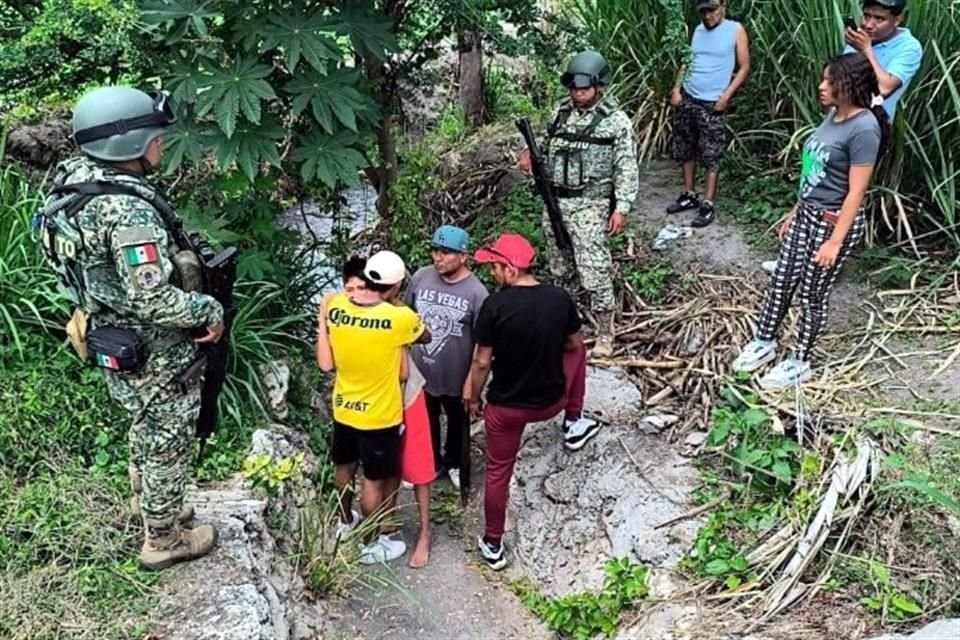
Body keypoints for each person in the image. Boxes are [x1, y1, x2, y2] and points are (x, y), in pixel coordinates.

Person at [36, 86, 224, 570]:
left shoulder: (69, 183)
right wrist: (207, 310)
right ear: (130, 144)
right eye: (154, 137)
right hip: (152, 346)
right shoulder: (128, 211)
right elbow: (153, 295)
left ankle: (152, 503)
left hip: (107, 333)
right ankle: (163, 540)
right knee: (167, 435)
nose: (161, 145)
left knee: (144, 423)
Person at [733, 53, 889, 388]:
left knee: (813, 294)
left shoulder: (864, 129)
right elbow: (812, 173)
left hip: (831, 223)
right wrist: (795, 211)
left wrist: (834, 241)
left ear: (851, 85)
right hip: (806, 216)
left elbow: (855, 193)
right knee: (782, 282)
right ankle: (764, 341)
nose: (822, 87)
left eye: (831, 82)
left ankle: (800, 360)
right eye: (824, 79)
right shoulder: (833, 115)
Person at [466, 233, 599, 570]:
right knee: (579, 351)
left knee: (498, 473)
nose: (492, 274)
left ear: (510, 269)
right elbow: (573, 344)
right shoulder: (558, 298)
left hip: (506, 409)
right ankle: (573, 421)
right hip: (550, 402)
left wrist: (473, 396)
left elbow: (482, 362)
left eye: (494, 267)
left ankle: (493, 544)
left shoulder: (495, 306)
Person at [760, 0, 921, 274]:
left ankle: (827, 257)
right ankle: (797, 257)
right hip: (838, 121)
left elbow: (883, 88)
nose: (868, 24)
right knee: (817, 179)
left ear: (898, 18)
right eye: (866, 15)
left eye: (878, 18)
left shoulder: (909, 48)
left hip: (865, 130)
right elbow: (841, 81)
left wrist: (866, 50)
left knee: (844, 193)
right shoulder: (858, 39)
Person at [518, 50, 639, 357]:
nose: (578, 92)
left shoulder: (615, 122)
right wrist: (528, 157)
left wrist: (621, 206)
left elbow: (625, 166)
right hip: (555, 201)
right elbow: (542, 147)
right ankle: (566, 325)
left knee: (594, 270)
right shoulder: (559, 113)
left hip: (591, 203)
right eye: (574, 87)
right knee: (560, 270)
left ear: (599, 86)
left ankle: (605, 332)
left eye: (585, 87)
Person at [317, 250, 431, 564]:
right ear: (394, 286)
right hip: (379, 415)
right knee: (374, 479)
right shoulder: (399, 318)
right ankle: (370, 543)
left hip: (343, 407)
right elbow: (425, 336)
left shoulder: (337, 307)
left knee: (344, 468)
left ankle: (344, 523)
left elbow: (327, 358)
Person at [404, 225, 489, 490]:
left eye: (446, 253)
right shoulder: (421, 277)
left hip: (457, 374)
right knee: (424, 420)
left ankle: (454, 462)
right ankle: (429, 463)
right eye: (435, 251)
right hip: (421, 371)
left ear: (463, 256)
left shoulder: (476, 292)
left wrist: (472, 383)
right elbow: (405, 315)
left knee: (457, 422)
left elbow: (482, 342)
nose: (438, 258)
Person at [666, 0, 750, 227]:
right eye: (703, 11)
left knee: (711, 152)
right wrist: (676, 88)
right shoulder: (698, 30)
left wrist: (726, 96)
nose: (707, 16)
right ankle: (689, 194)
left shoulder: (735, 29)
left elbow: (743, 67)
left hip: (712, 101)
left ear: (723, 5)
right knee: (685, 146)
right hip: (689, 97)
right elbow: (687, 61)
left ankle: (708, 202)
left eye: (711, 10)